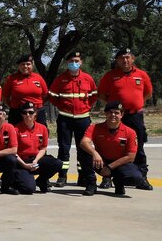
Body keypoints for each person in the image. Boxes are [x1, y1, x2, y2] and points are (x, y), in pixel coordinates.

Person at [98, 47, 153, 187]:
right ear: (117, 60)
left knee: (138, 146)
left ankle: (142, 177)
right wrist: (113, 108)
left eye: (128, 57)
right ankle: (107, 178)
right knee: (110, 145)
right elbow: (102, 95)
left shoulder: (142, 75)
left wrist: (136, 104)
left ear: (133, 59)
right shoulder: (110, 76)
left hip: (135, 116)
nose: (125, 60)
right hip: (116, 117)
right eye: (122, 58)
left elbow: (148, 94)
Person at [47, 50, 96, 187]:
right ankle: (62, 176)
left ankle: (83, 176)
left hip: (83, 119)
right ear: (67, 63)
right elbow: (52, 96)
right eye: (71, 61)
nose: (74, 63)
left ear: (81, 62)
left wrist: (86, 106)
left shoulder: (88, 78)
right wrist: (62, 106)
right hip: (65, 118)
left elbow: (93, 95)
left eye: (76, 61)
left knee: (84, 149)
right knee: (64, 148)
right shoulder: (60, 79)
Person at [80, 101, 149, 197]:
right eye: (110, 112)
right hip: (100, 162)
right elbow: (84, 142)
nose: (113, 115)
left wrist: (110, 167)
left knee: (136, 178)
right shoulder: (95, 128)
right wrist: (95, 153)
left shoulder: (130, 132)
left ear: (122, 115)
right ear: (105, 114)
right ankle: (91, 184)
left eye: (116, 113)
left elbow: (130, 157)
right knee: (84, 152)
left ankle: (119, 183)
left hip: (119, 164)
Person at [11, 102, 65, 193]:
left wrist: (36, 161)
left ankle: (41, 181)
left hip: (36, 160)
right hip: (22, 162)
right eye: (25, 113)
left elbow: (43, 148)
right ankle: (16, 180)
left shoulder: (43, 128)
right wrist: (25, 165)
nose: (28, 115)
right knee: (29, 189)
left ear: (35, 113)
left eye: (31, 112)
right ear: (21, 114)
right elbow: (13, 152)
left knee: (57, 163)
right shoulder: (15, 129)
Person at [2, 54, 49, 125]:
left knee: (40, 133)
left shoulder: (38, 78)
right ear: (18, 66)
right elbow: (5, 97)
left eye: (28, 64)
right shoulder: (11, 78)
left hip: (37, 111)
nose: (25, 66)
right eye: (22, 64)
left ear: (32, 65)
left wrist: (37, 104)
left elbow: (45, 95)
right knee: (16, 134)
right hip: (18, 112)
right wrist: (14, 106)